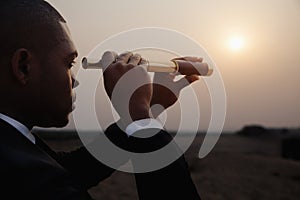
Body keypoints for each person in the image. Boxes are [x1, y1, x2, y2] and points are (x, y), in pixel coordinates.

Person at [0, 0, 202, 199]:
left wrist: (146, 108)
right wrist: (139, 117)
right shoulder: (33, 181)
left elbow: (70, 171)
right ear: (23, 66)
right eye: (69, 64)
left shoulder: (15, 149)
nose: (74, 81)